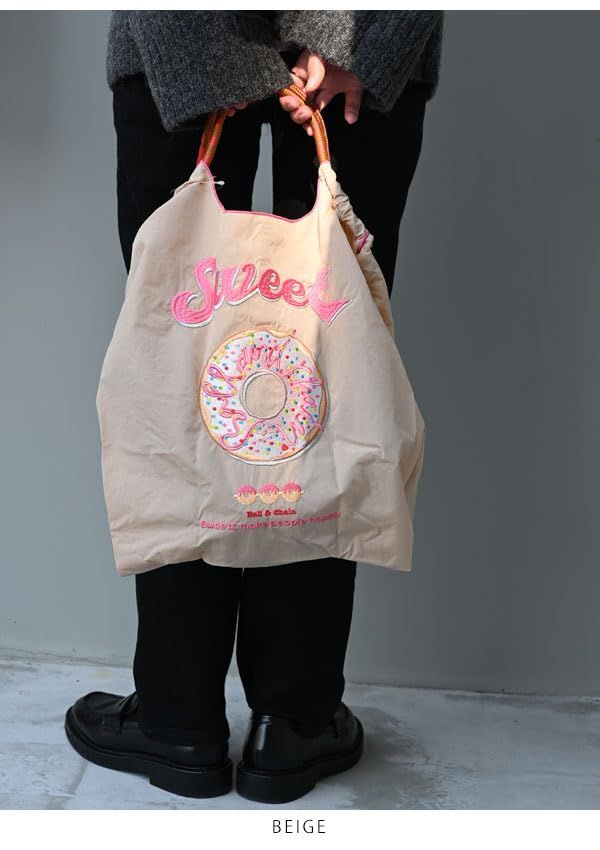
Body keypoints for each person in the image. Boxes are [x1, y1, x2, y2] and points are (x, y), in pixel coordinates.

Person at [64, 11, 443, 803]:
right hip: (348, 33)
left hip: (186, 30)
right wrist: (363, 39)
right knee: (325, 376)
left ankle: (177, 718)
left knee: (177, 375)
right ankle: (293, 722)